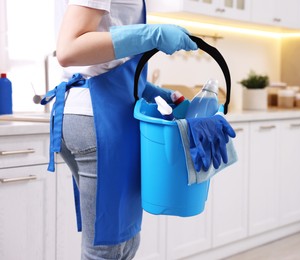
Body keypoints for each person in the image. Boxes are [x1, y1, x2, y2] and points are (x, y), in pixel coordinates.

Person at [49, 0, 198, 259]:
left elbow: (107, 59)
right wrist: (153, 34)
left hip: (106, 114)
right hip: (97, 117)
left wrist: (149, 92)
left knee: (125, 240)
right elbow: (69, 50)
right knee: (108, 246)